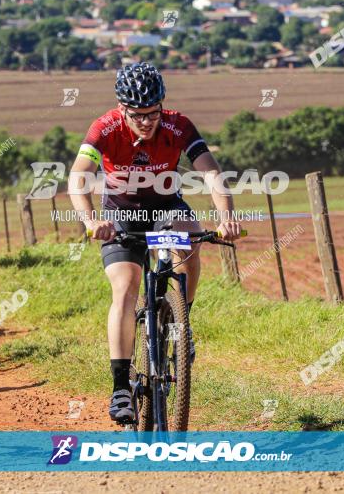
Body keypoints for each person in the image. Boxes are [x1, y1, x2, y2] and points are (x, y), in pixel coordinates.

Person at [68, 62, 242, 423]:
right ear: (122, 109)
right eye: (137, 115)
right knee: (126, 287)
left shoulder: (179, 125)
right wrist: (90, 220)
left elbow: (210, 171)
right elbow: (78, 177)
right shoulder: (105, 127)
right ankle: (119, 388)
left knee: (191, 243)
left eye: (153, 113)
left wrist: (225, 216)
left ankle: (182, 325)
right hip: (120, 214)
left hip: (165, 207)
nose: (146, 122)